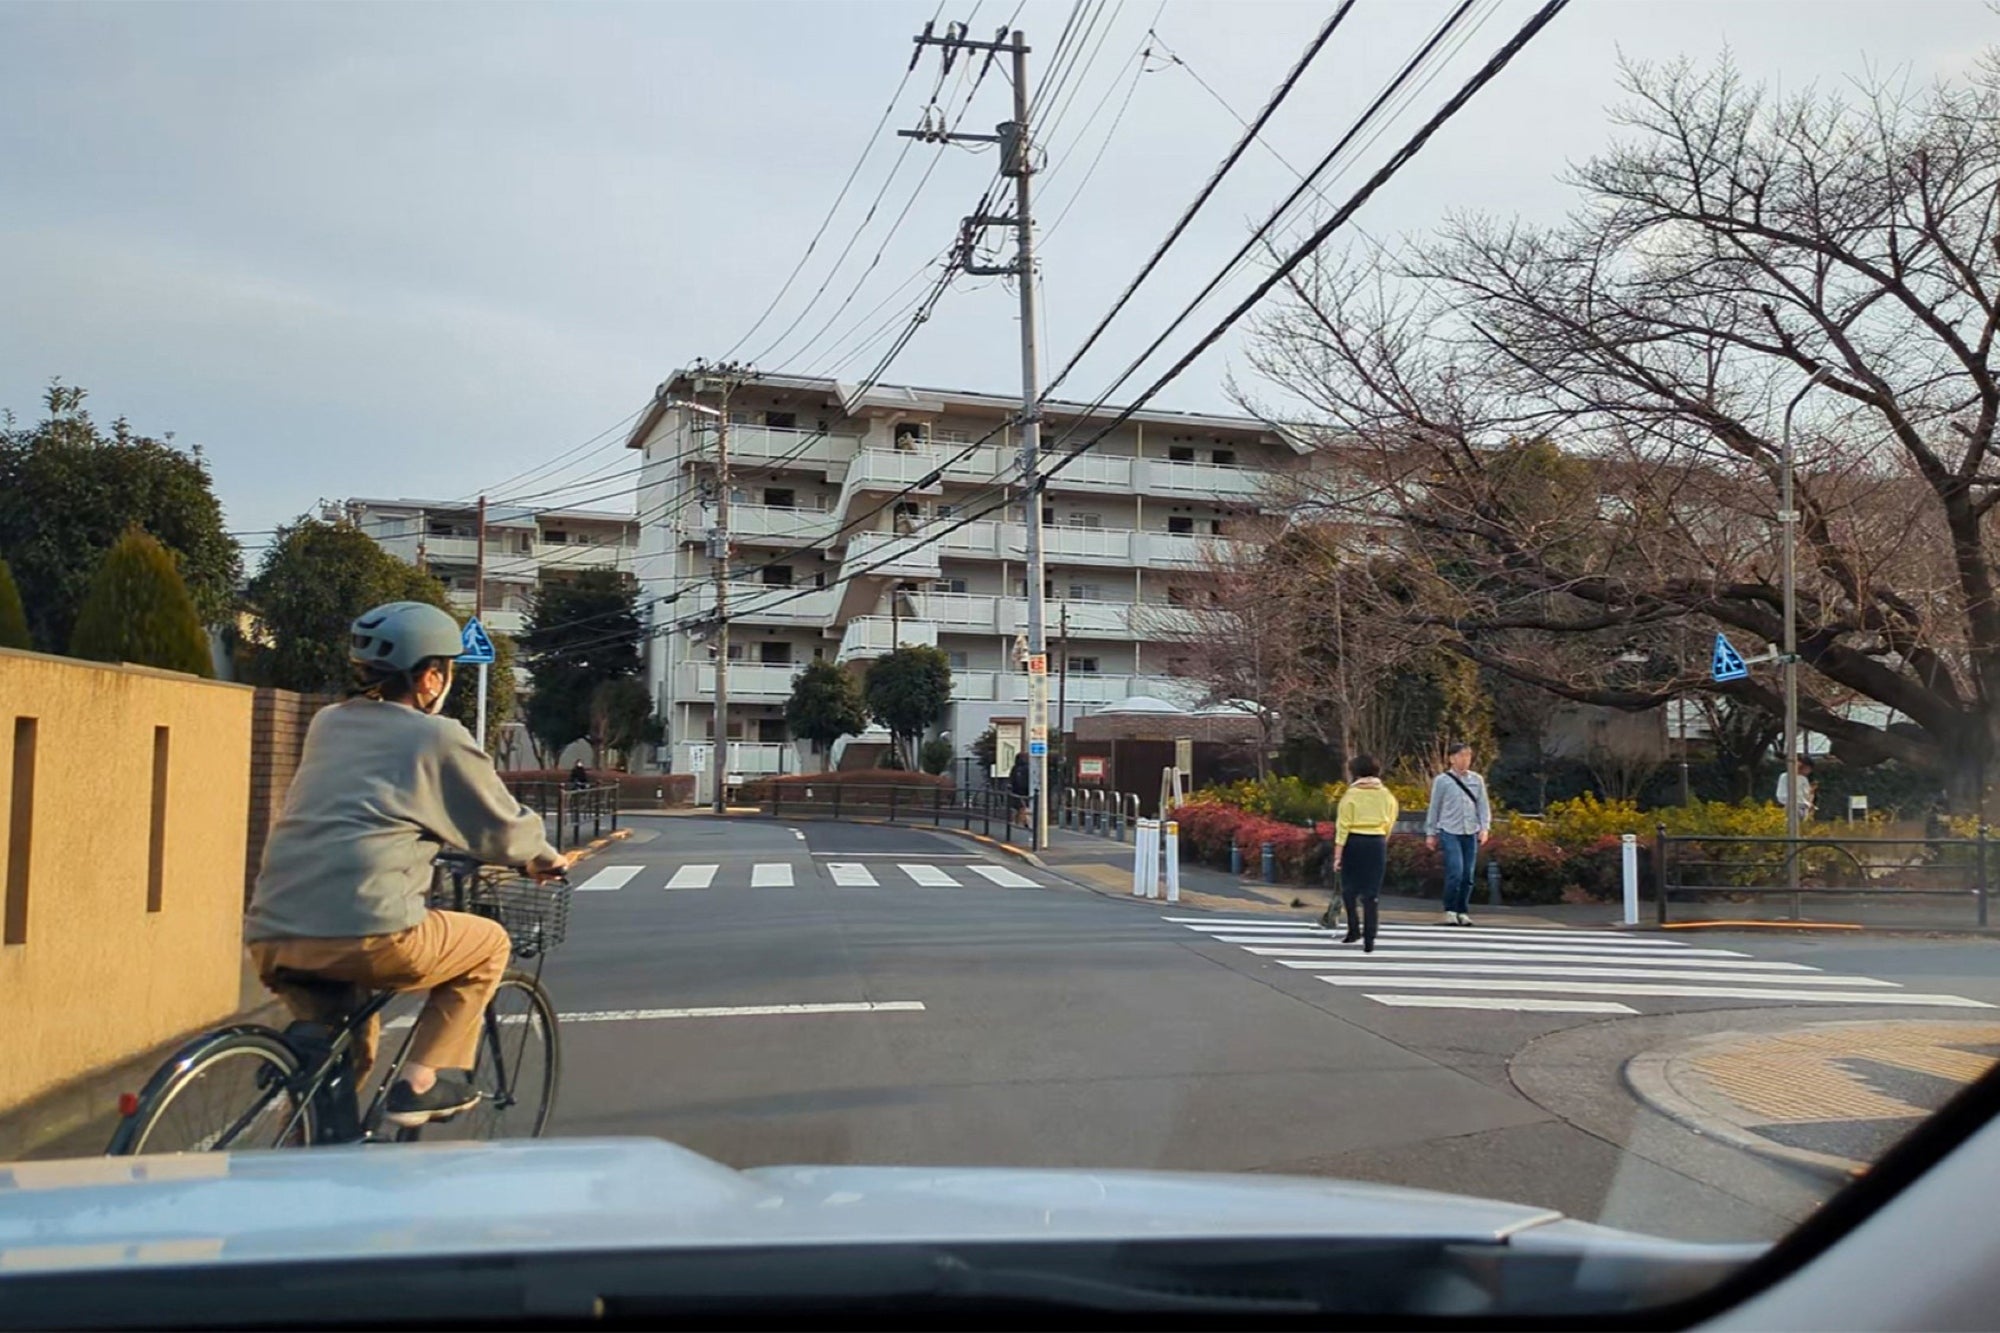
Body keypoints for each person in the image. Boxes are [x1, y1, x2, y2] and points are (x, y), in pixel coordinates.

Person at [244, 601, 574, 1129]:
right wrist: (543, 857)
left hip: (275, 932)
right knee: (488, 943)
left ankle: (311, 1160)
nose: (445, 680)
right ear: (428, 677)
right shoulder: (435, 735)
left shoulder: (328, 723)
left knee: (341, 1059)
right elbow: (501, 827)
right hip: (369, 932)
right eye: (446, 668)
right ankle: (421, 1081)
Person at [1333, 754, 1398, 952]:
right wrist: (1381, 838)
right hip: (1376, 842)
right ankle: (1370, 937)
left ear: (1355, 773)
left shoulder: (1351, 796)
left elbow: (1342, 826)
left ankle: (1354, 929)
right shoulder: (1386, 795)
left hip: (1353, 841)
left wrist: (1338, 855)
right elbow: (1390, 821)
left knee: (1349, 889)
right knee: (1371, 893)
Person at [1426, 742, 1492, 927]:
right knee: (1455, 871)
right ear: (1452, 758)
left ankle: (1462, 910)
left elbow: (1482, 805)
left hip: (1470, 830)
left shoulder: (1476, 780)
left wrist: (1484, 828)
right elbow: (1434, 807)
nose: (1465, 760)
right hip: (1449, 830)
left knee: (1468, 875)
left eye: (1468, 756)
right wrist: (1431, 832)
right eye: (1461, 756)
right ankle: (1450, 910)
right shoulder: (1442, 780)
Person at [1775, 756, 1816, 823]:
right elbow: (1781, 795)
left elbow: (1807, 795)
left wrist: (1809, 803)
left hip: (1802, 808)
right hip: (1790, 807)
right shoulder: (1785, 777)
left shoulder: (1803, 779)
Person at [1008, 750, 1031, 827]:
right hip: (1025, 790)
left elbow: (1012, 779)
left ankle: (1016, 821)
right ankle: (1024, 821)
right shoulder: (1027, 767)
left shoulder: (1015, 767)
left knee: (1018, 807)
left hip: (1016, 790)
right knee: (1024, 806)